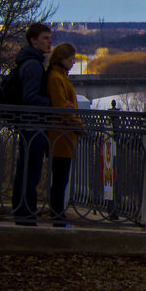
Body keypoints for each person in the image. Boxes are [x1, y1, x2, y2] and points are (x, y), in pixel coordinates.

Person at [10, 22, 53, 224]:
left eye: (49, 37)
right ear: (33, 40)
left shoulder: (26, 61)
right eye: (45, 38)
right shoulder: (34, 65)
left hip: (27, 125)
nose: (49, 42)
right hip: (33, 125)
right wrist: (52, 104)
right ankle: (26, 215)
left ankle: (21, 211)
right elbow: (30, 97)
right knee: (32, 173)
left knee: (24, 169)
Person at [45, 43, 83, 227]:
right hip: (61, 137)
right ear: (62, 58)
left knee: (60, 179)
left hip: (63, 137)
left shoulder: (60, 77)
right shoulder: (56, 78)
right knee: (60, 179)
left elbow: (66, 106)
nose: (74, 62)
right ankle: (58, 218)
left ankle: (57, 216)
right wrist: (80, 126)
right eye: (71, 58)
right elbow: (62, 108)